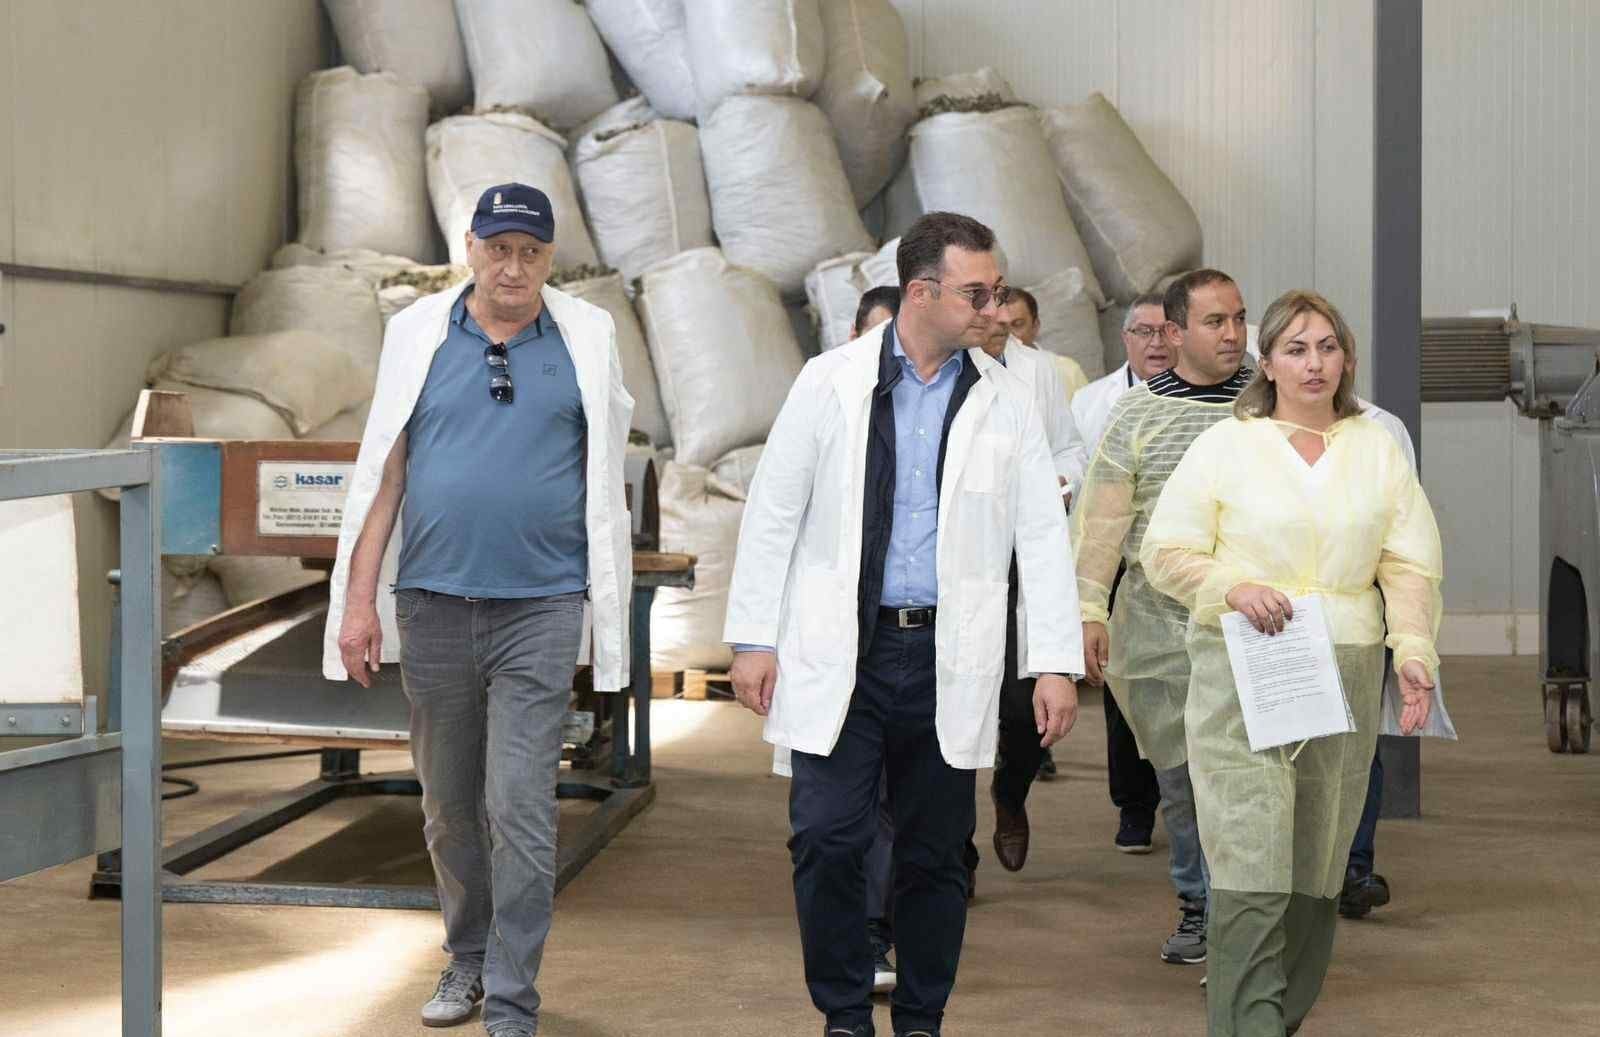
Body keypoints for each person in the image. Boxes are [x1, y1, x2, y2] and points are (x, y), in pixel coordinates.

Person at [724, 212, 1083, 1037]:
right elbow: (773, 512)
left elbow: (1040, 535)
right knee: (825, 837)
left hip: (945, 656)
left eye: (998, 291)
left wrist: (1054, 661)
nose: (996, 309)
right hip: (845, 648)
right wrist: (753, 639)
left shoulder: (1008, 399)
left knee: (935, 851)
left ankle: (922, 1017)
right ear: (922, 293)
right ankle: (845, 1012)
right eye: (977, 294)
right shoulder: (829, 381)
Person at [323, 183, 635, 1037]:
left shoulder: (586, 336)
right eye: (498, 248)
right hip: (432, 605)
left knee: (520, 805)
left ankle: (511, 995)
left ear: (550, 258)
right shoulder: (419, 335)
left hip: (541, 605)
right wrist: (358, 604)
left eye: (530, 252)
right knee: (449, 806)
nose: (513, 267)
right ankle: (466, 952)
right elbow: (384, 473)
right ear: (469, 249)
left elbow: (604, 467)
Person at [1139, 289, 1441, 1036]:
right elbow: (1165, 551)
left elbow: (1409, 563)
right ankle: (1248, 1024)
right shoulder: (1227, 445)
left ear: (1347, 359)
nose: (1314, 364)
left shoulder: (1376, 448)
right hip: (1246, 665)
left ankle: (1276, 1016)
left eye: (1327, 347)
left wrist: (1412, 647)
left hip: (1344, 665)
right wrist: (1231, 586)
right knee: (1250, 852)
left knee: (1317, 858)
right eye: (1296, 349)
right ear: (1266, 363)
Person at [1073, 269, 1252, 966]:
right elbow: (1101, 524)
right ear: (1175, 333)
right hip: (1160, 628)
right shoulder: (1137, 415)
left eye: (1239, 318)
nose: (1233, 334)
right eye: (1215, 321)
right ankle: (1198, 904)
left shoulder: (1268, 405)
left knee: (1250, 781)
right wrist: (1089, 607)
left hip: (1256, 622)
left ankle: (1249, 914)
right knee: (1180, 779)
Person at [1070, 292, 1172, 853]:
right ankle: (1134, 806)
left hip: (1183, 562)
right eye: (1143, 332)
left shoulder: (1207, 397)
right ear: (1125, 339)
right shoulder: (1093, 402)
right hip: (1118, 563)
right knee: (1123, 688)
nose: (1155, 344)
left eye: (1165, 331)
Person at [999, 287, 1090, 402]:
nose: (1010, 335)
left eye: (1018, 325)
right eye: (1002, 326)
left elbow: (1090, 411)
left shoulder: (1067, 370)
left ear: (1035, 326)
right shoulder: (988, 377)